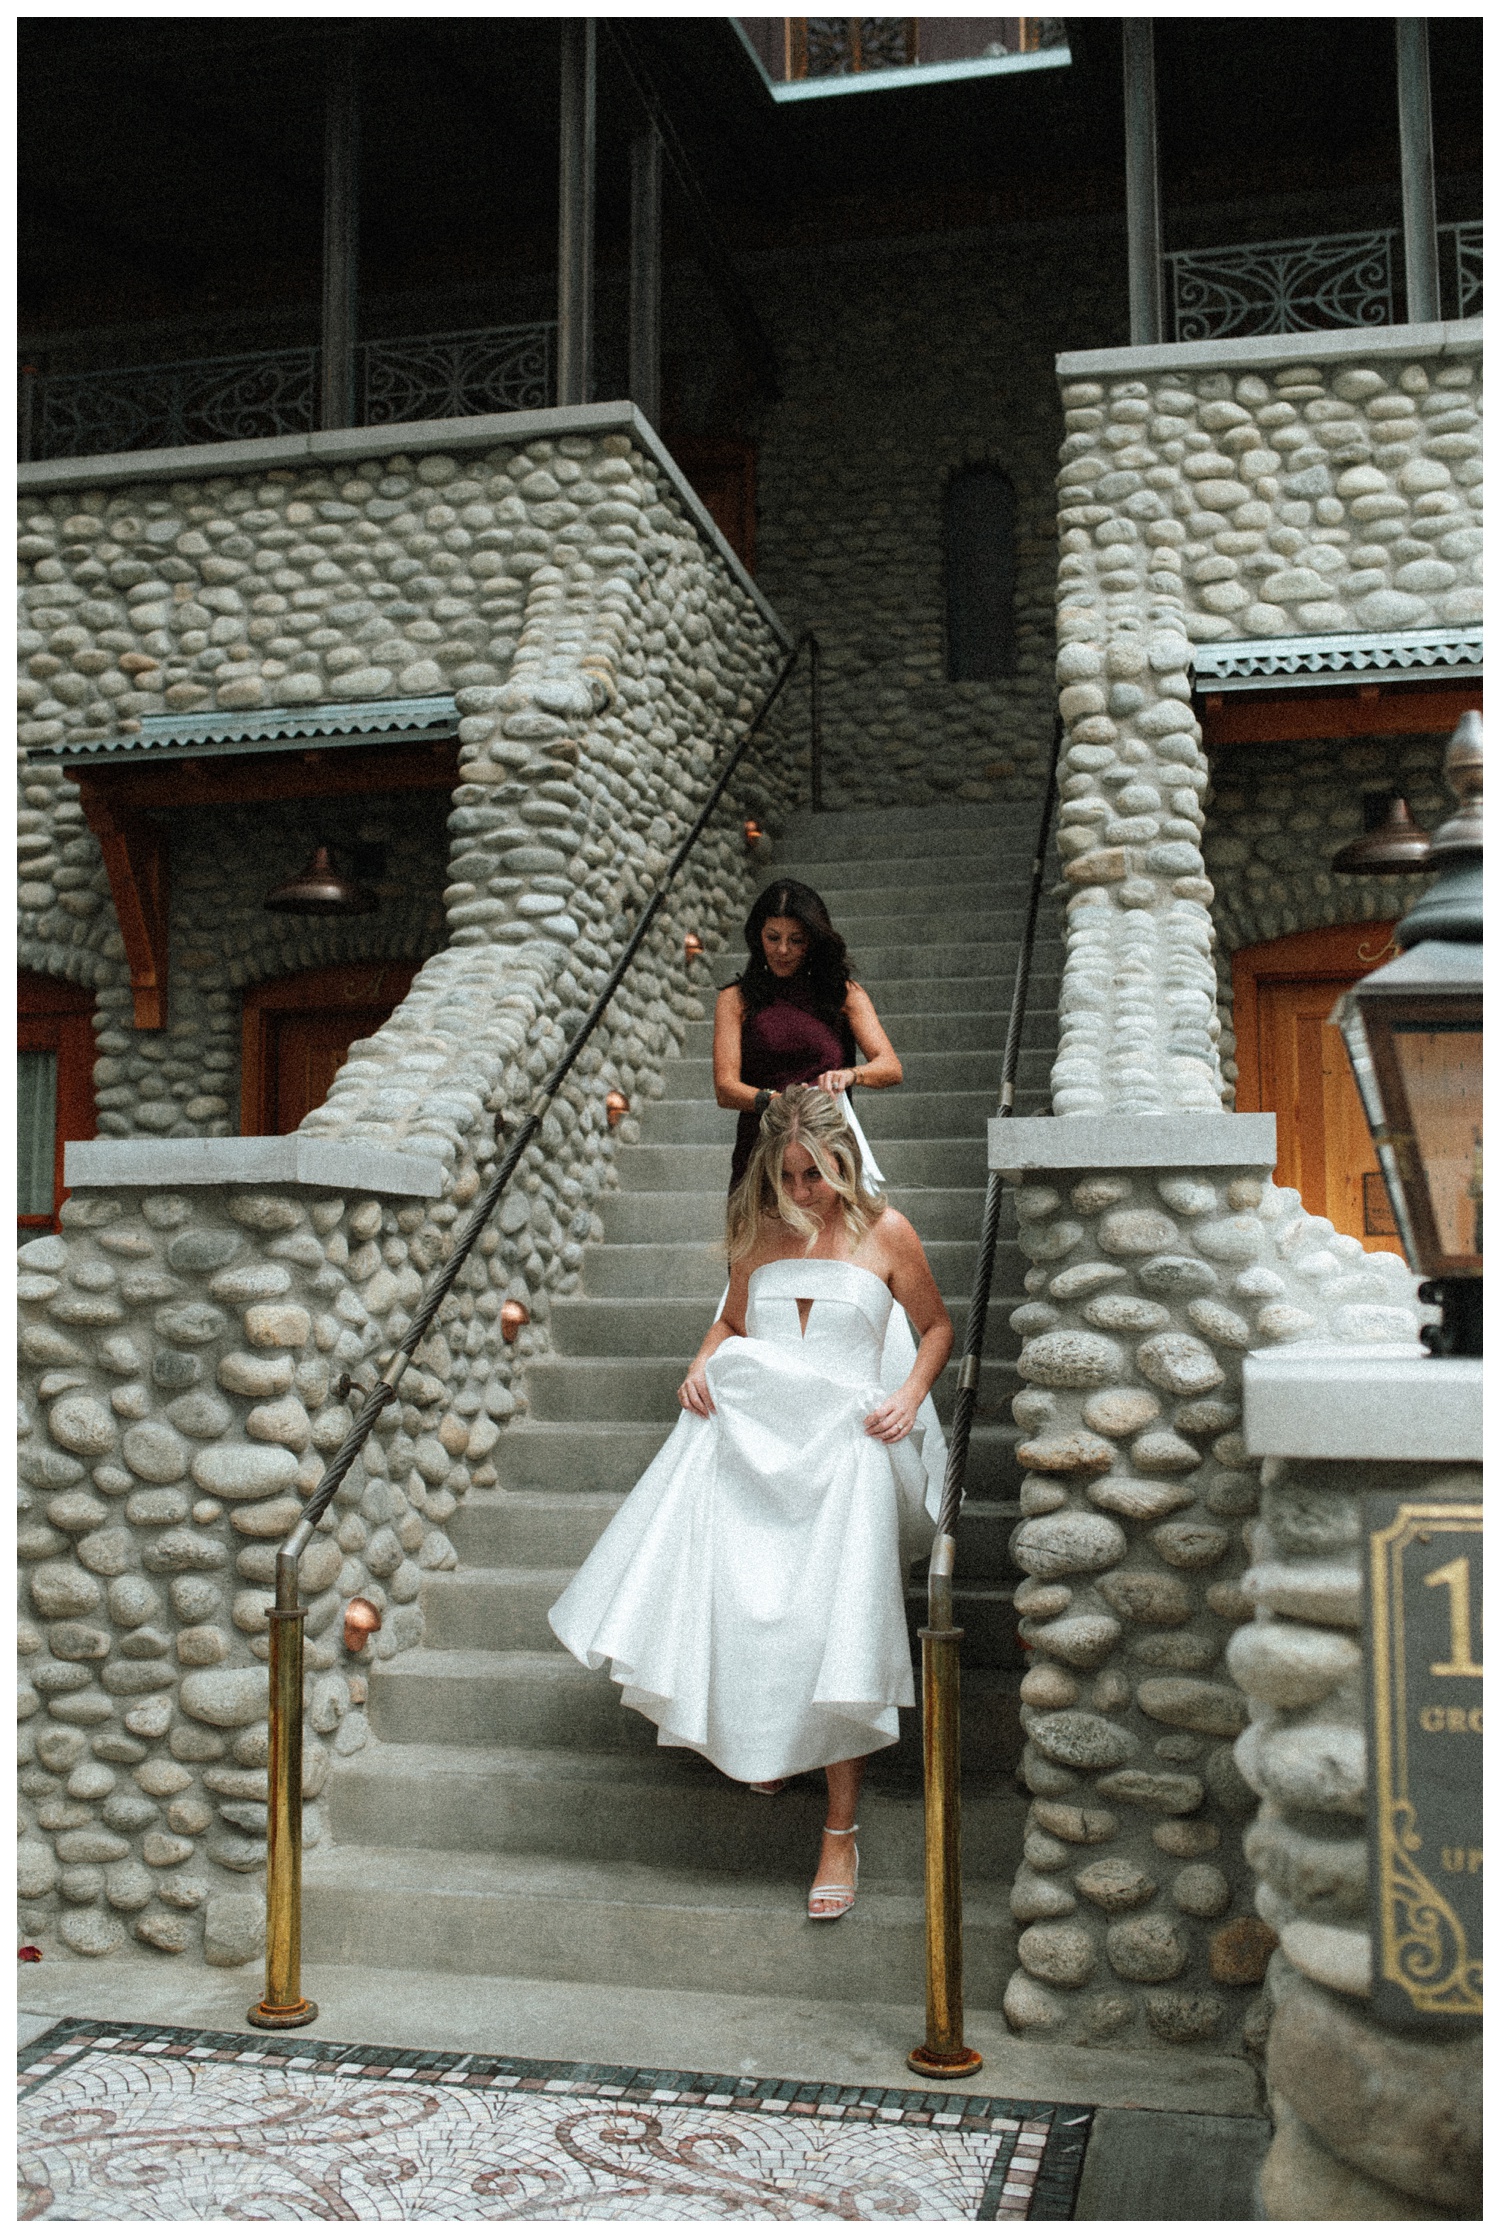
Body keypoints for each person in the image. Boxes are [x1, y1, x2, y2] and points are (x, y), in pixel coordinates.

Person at [549, 1086, 953, 1920]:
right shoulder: (760, 1236)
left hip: (848, 1455)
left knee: (833, 1625)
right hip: (763, 1451)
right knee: (745, 1602)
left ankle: (839, 1828)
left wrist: (909, 1394)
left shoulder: (888, 1233)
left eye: (816, 1174)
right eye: (789, 1176)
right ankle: (761, 1740)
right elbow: (732, 1326)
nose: (802, 1193)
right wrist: (699, 1366)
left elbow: (937, 1327)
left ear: (846, 1161)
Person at [714, 879, 903, 1194]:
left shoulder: (843, 993)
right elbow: (725, 1089)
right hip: (762, 1144)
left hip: (826, 1145)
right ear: (757, 937)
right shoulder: (736, 998)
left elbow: (890, 1067)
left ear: (813, 941)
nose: (783, 950)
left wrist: (850, 1075)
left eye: (796, 940)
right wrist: (781, 1102)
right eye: (772, 938)